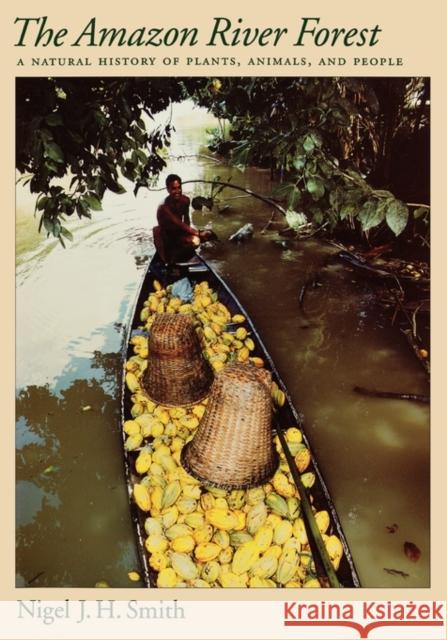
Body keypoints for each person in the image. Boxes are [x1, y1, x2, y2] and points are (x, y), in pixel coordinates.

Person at [154, 174, 213, 264]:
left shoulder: (185, 200)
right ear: (168, 189)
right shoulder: (164, 206)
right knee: (157, 230)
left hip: (178, 233)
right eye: (174, 188)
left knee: (196, 241)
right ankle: (167, 260)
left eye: (179, 187)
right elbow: (178, 223)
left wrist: (189, 236)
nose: (177, 191)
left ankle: (184, 253)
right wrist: (199, 233)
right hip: (164, 236)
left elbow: (186, 220)